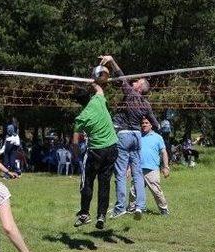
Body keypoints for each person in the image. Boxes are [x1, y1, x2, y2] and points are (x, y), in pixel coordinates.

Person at [99, 55, 159, 220]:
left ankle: (120, 207)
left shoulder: (131, 93)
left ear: (139, 87)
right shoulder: (146, 104)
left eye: (137, 81)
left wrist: (111, 61)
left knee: (120, 173)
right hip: (137, 136)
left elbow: (120, 76)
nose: (134, 82)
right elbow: (156, 123)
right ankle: (140, 206)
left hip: (124, 135)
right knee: (137, 173)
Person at [71, 83, 118, 229]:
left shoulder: (81, 117)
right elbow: (99, 89)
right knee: (104, 183)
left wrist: (77, 155)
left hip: (96, 151)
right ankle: (101, 216)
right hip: (112, 149)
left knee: (87, 182)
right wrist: (93, 81)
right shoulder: (98, 100)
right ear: (89, 95)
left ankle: (85, 214)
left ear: (78, 102)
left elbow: (75, 142)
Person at [129, 118, 170, 215]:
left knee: (156, 191)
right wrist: (129, 167)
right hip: (138, 169)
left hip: (152, 169)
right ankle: (132, 209)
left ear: (151, 125)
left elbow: (163, 152)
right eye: (142, 123)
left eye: (147, 123)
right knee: (133, 190)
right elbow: (132, 153)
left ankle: (164, 209)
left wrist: (166, 167)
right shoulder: (137, 137)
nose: (144, 125)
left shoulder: (157, 137)